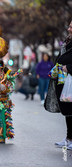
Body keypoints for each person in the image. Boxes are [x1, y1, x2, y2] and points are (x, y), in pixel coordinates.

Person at [51, 21, 72, 150]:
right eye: (69, 26)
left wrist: (68, 67)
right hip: (64, 80)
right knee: (67, 111)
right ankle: (69, 138)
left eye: (71, 27)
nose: (69, 29)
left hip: (70, 79)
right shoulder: (67, 41)